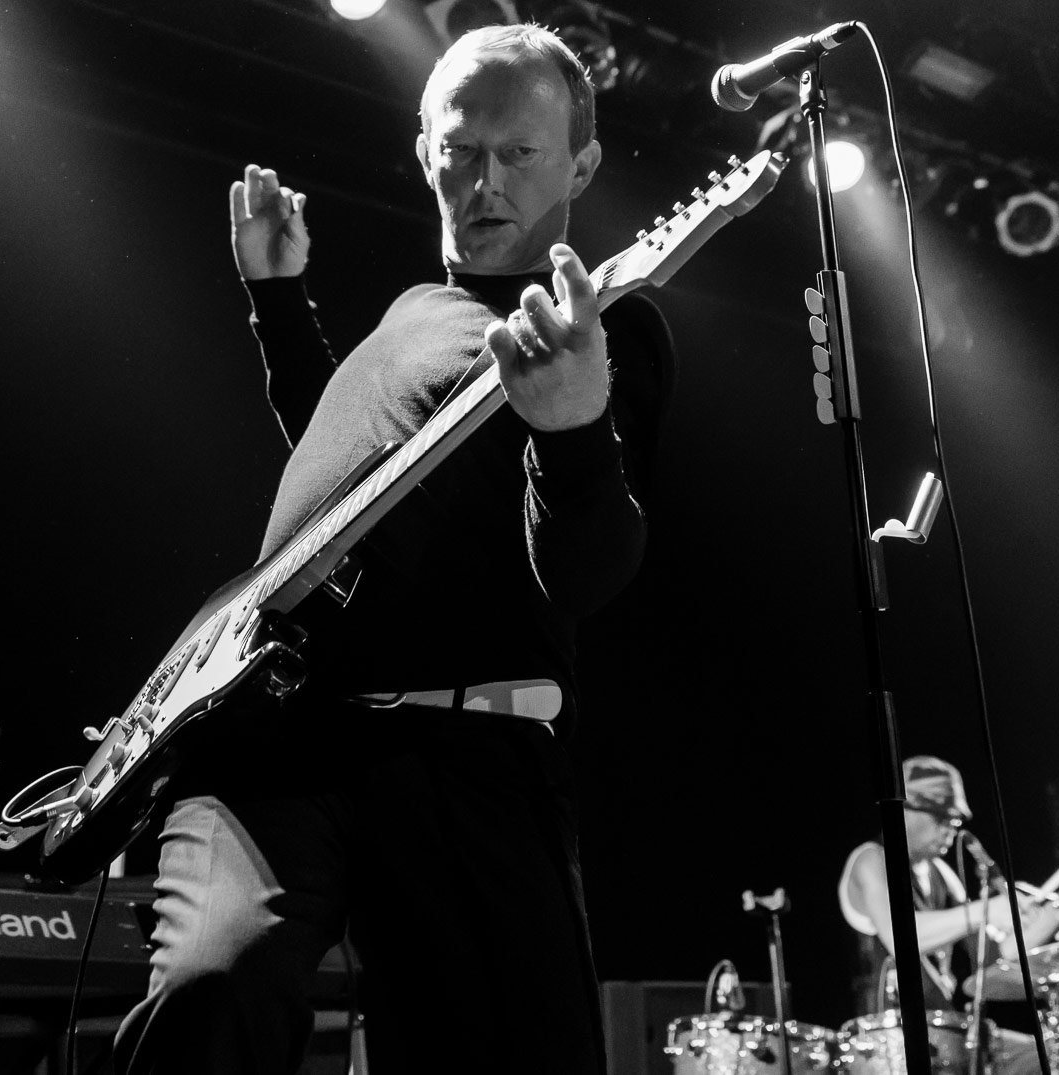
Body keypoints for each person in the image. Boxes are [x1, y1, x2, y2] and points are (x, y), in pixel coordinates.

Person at [113, 24, 673, 1074]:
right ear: (424, 150)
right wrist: (279, 300)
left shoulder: (609, 328)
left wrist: (569, 432)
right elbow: (355, 489)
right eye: (460, 149)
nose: (485, 179)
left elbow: (589, 571)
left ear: (581, 166)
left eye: (520, 153)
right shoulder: (411, 311)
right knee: (206, 1001)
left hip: (463, 760)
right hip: (273, 740)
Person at [838, 756, 1059, 1075]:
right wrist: (983, 910)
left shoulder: (942, 875)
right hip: (886, 1043)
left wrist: (1056, 911)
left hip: (944, 1035)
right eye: (942, 816)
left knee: (1049, 1056)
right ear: (904, 810)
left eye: (955, 819)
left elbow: (994, 957)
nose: (952, 828)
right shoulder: (870, 860)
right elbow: (899, 937)